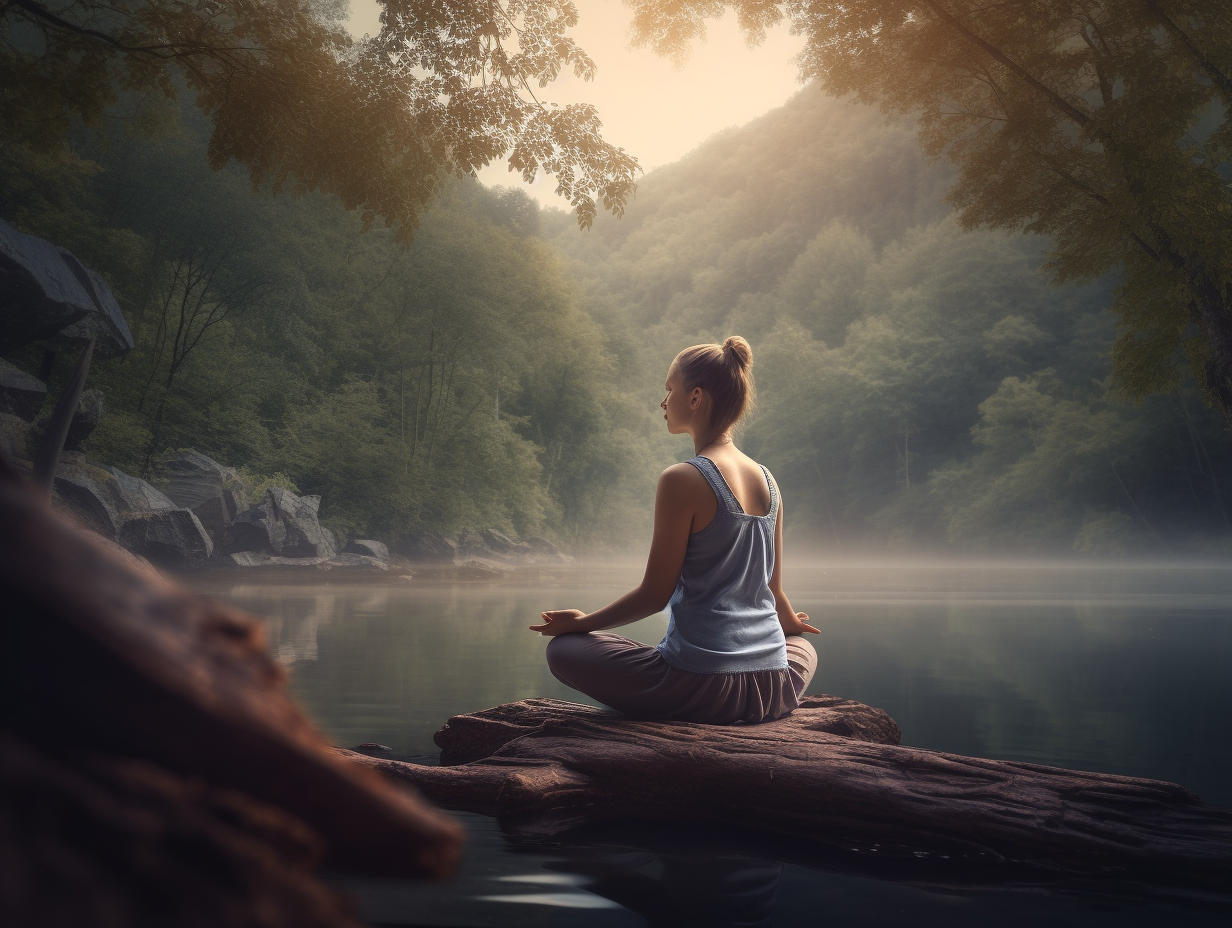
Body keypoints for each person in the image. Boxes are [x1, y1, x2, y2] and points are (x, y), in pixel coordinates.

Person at [529, 336, 818, 724]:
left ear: (696, 397)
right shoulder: (769, 480)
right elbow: (772, 588)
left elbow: (653, 596)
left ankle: (687, 694)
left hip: (703, 689)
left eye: (669, 390)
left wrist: (581, 624)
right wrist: (790, 626)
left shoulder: (682, 479)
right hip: (773, 686)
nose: (663, 402)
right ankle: (775, 657)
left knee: (562, 651)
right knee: (801, 647)